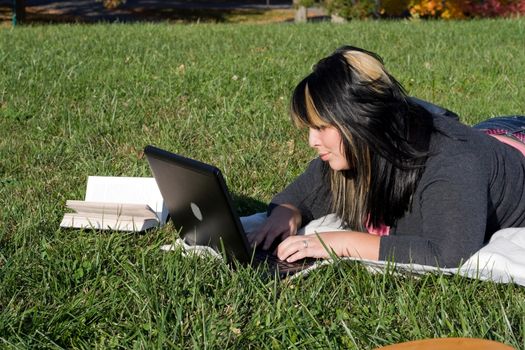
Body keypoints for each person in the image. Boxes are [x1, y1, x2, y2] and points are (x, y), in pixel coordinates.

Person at [248, 45, 525, 268]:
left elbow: (448, 252)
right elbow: (299, 196)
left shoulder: (451, 163)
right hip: (487, 136)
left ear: (362, 124)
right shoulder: (355, 153)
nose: (312, 141)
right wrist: (282, 217)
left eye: (321, 128)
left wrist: (339, 242)